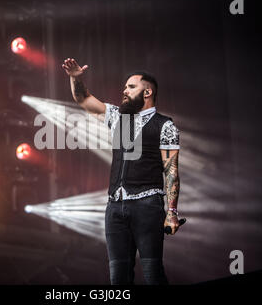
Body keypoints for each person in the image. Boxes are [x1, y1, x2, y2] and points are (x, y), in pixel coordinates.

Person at [62, 58, 181, 285]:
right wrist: (75, 78)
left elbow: (171, 170)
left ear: (147, 92)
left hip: (147, 205)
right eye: (125, 87)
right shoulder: (119, 117)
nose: (124, 90)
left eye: (131, 87)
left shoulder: (165, 125)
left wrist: (172, 211)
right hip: (115, 207)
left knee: (153, 275)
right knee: (118, 280)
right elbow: (84, 99)